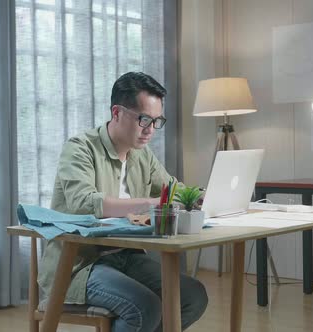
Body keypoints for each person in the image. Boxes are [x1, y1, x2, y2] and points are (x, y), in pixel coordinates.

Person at [39, 72, 208, 332]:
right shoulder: (79, 148)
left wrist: (199, 197)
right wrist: (149, 204)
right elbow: (84, 202)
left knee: (193, 296)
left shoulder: (142, 155)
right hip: (79, 264)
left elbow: (172, 190)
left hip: (126, 257)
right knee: (145, 306)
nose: (150, 130)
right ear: (116, 113)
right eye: (143, 119)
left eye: (156, 121)